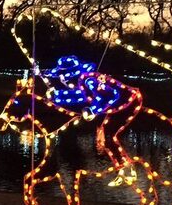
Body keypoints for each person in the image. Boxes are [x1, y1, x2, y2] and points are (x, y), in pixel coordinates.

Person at [43, 56, 140, 184]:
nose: (62, 80)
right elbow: (78, 96)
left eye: (63, 76)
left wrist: (93, 110)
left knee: (110, 136)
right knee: (106, 137)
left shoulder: (89, 80)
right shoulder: (82, 81)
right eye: (60, 77)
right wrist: (56, 96)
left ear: (72, 74)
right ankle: (124, 169)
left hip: (129, 102)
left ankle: (125, 170)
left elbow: (112, 95)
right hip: (115, 107)